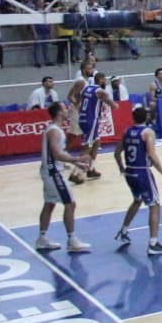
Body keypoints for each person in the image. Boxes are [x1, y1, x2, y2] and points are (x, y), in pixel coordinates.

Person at [113, 107, 162, 256]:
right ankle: (153, 244)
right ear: (145, 117)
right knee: (154, 205)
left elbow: (116, 153)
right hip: (142, 171)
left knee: (137, 200)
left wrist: (121, 168)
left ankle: (123, 231)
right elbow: (151, 155)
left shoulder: (127, 131)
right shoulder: (147, 133)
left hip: (130, 172)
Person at [36, 102, 93, 252]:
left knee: (49, 203)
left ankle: (42, 239)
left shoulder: (56, 129)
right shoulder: (54, 131)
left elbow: (60, 153)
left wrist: (77, 165)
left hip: (50, 171)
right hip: (53, 172)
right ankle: (72, 240)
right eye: (64, 108)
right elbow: (56, 154)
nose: (67, 110)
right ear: (59, 112)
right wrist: (77, 160)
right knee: (70, 203)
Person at [68, 69, 115, 184]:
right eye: (105, 80)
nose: (106, 82)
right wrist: (114, 104)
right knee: (87, 148)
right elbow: (113, 105)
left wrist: (80, 108)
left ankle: (91, 169)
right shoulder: (99, 90)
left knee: (97, 142)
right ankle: (75, 173)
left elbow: (75, 98)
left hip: (83, 118)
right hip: (91, 121)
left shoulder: (86, 88)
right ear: (101, 79)